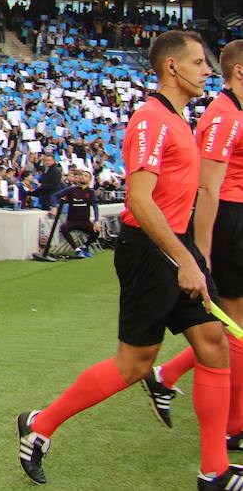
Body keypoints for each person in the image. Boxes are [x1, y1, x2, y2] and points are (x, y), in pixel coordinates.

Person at [17, 30, 243, 489]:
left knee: (215, 343)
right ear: (173, 68)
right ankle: (40, 424)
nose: (207, 71)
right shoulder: (150, 119)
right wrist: (185, 258)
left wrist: (191, 253)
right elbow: (140, 201)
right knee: (135, 363)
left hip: (176, 247)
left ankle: (215, 472)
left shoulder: (179, 119)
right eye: (199, 63)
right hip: (151, 251)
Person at [141, 39, 243, 443]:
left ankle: (166, 375)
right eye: (198, 62)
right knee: (232, 329)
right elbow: (208, 189)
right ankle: (233, 427)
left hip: (234, 218)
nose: (204, 69)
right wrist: (201, 250)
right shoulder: (223, 116)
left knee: (227, 329)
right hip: (227, 223)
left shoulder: (233, 112)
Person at [52, 164, 101, 257]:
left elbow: (95, 206)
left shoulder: (91, 192)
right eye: (82, 175)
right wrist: (54, 206)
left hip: (85, 221)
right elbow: (54, 196)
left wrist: (96, 221)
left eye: (85, 176)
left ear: (89, 180)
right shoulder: (71, 190)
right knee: (63, 228)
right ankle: (77, 249)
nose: (83, 177)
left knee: (97, 231)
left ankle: (85, 247)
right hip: (72, 221)